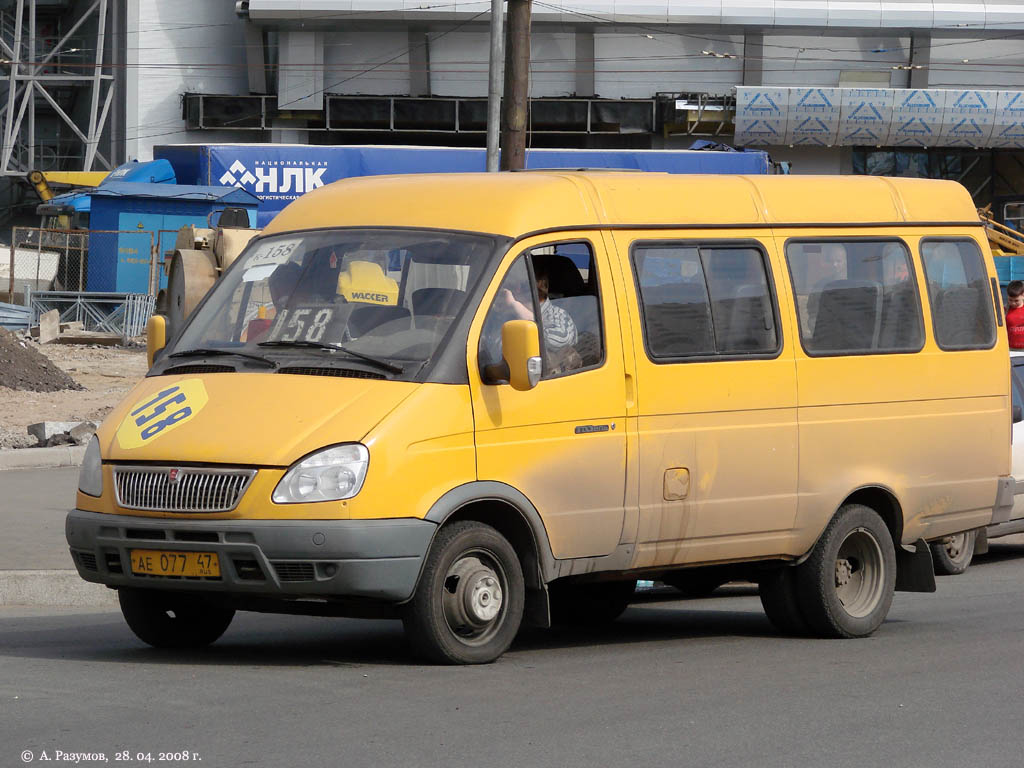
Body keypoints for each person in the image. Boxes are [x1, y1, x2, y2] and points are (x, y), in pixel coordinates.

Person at [497, 259, 579, 372]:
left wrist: (515, 306)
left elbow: (559, 339)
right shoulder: (505, 316)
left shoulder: (557, 314)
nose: (510, 289)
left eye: (513, 284)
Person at [1007, 280, 1024, 349]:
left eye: (1016, 300)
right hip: (1010, 349)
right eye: (1010, 300)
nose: (1013, 303)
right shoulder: (1005, 310)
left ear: (1023, 295)